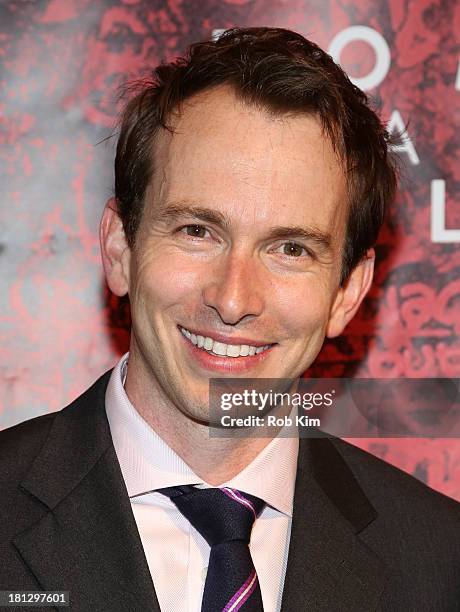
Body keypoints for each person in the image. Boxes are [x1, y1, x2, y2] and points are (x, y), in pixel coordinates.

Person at [0, 27, 458, 612]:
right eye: (197, 231)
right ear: (120, 248)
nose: (234, 298)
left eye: (291, 248)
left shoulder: (441, 562)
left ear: (348, 291)